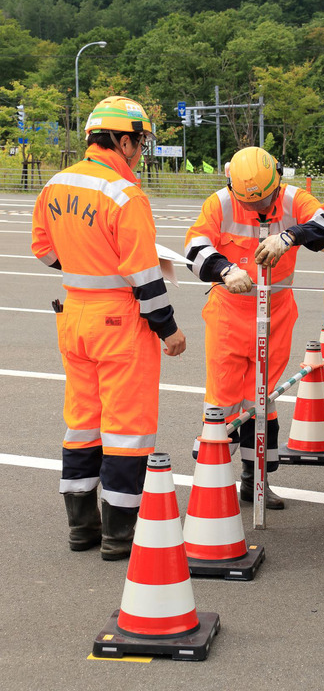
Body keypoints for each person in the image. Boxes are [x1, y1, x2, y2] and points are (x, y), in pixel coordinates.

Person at [31, 96, 186, 560]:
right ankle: (120, 534)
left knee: (83, 422)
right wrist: (169, 329)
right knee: (128, 427)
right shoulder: (125, 194)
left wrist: (85, 263)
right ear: (122, 140)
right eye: (138, 142)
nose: (140, 151)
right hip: (119, 322)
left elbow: (43, 248)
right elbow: (143, 274)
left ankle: (83, 527)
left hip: (74, 313)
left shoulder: (56, 183)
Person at [185, 146, 324, 509]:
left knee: (264, 399)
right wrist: (225, 269)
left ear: (277, 181)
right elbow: (194, 247)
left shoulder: (293, 200)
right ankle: (215, 483)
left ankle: (255, 483)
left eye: (264, 199)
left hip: (277, 314)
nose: (256, 208)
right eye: (248, 202)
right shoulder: (220, 203)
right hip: (229, 314)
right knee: (222, 400)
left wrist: (289, 237)